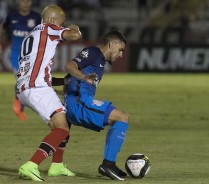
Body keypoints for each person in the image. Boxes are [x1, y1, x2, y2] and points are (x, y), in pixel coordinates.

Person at [15, 4, 82, 181]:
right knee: (62, 128)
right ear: (53, 20)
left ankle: (57, 166)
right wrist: (74, 27)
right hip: (37, 89)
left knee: (60, 123)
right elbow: (74, 35)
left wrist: (62, 82)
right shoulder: (48, 28)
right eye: (62, 23)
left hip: (25, 89)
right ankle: (31, 165)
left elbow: (36, 71)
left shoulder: (30, 36)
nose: (62, 26)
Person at [64, 30, 129, 180]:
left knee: (120, 118)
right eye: (120, 50)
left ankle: (109, 164)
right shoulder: (93, 52)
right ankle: (108, 164)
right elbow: (70, 66)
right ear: (112, 44)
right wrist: (83, 77)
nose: (121, 55)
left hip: (76, 103)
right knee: (122, 117)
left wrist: (64, 92)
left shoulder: (99, 61)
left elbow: (68, 79)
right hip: (80, 103)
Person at [0, 0, 41, 121]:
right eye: (23, 1)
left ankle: (20, 105)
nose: (25, 3)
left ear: (31, 3)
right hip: (16, 53)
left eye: (27, 1)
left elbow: (43, 33)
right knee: (21, 79)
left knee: (29, 82)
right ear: (19, 2)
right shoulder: (12, 16)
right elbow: (1, 28)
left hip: (31, 55)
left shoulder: (36, 17)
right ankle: (18, 106)